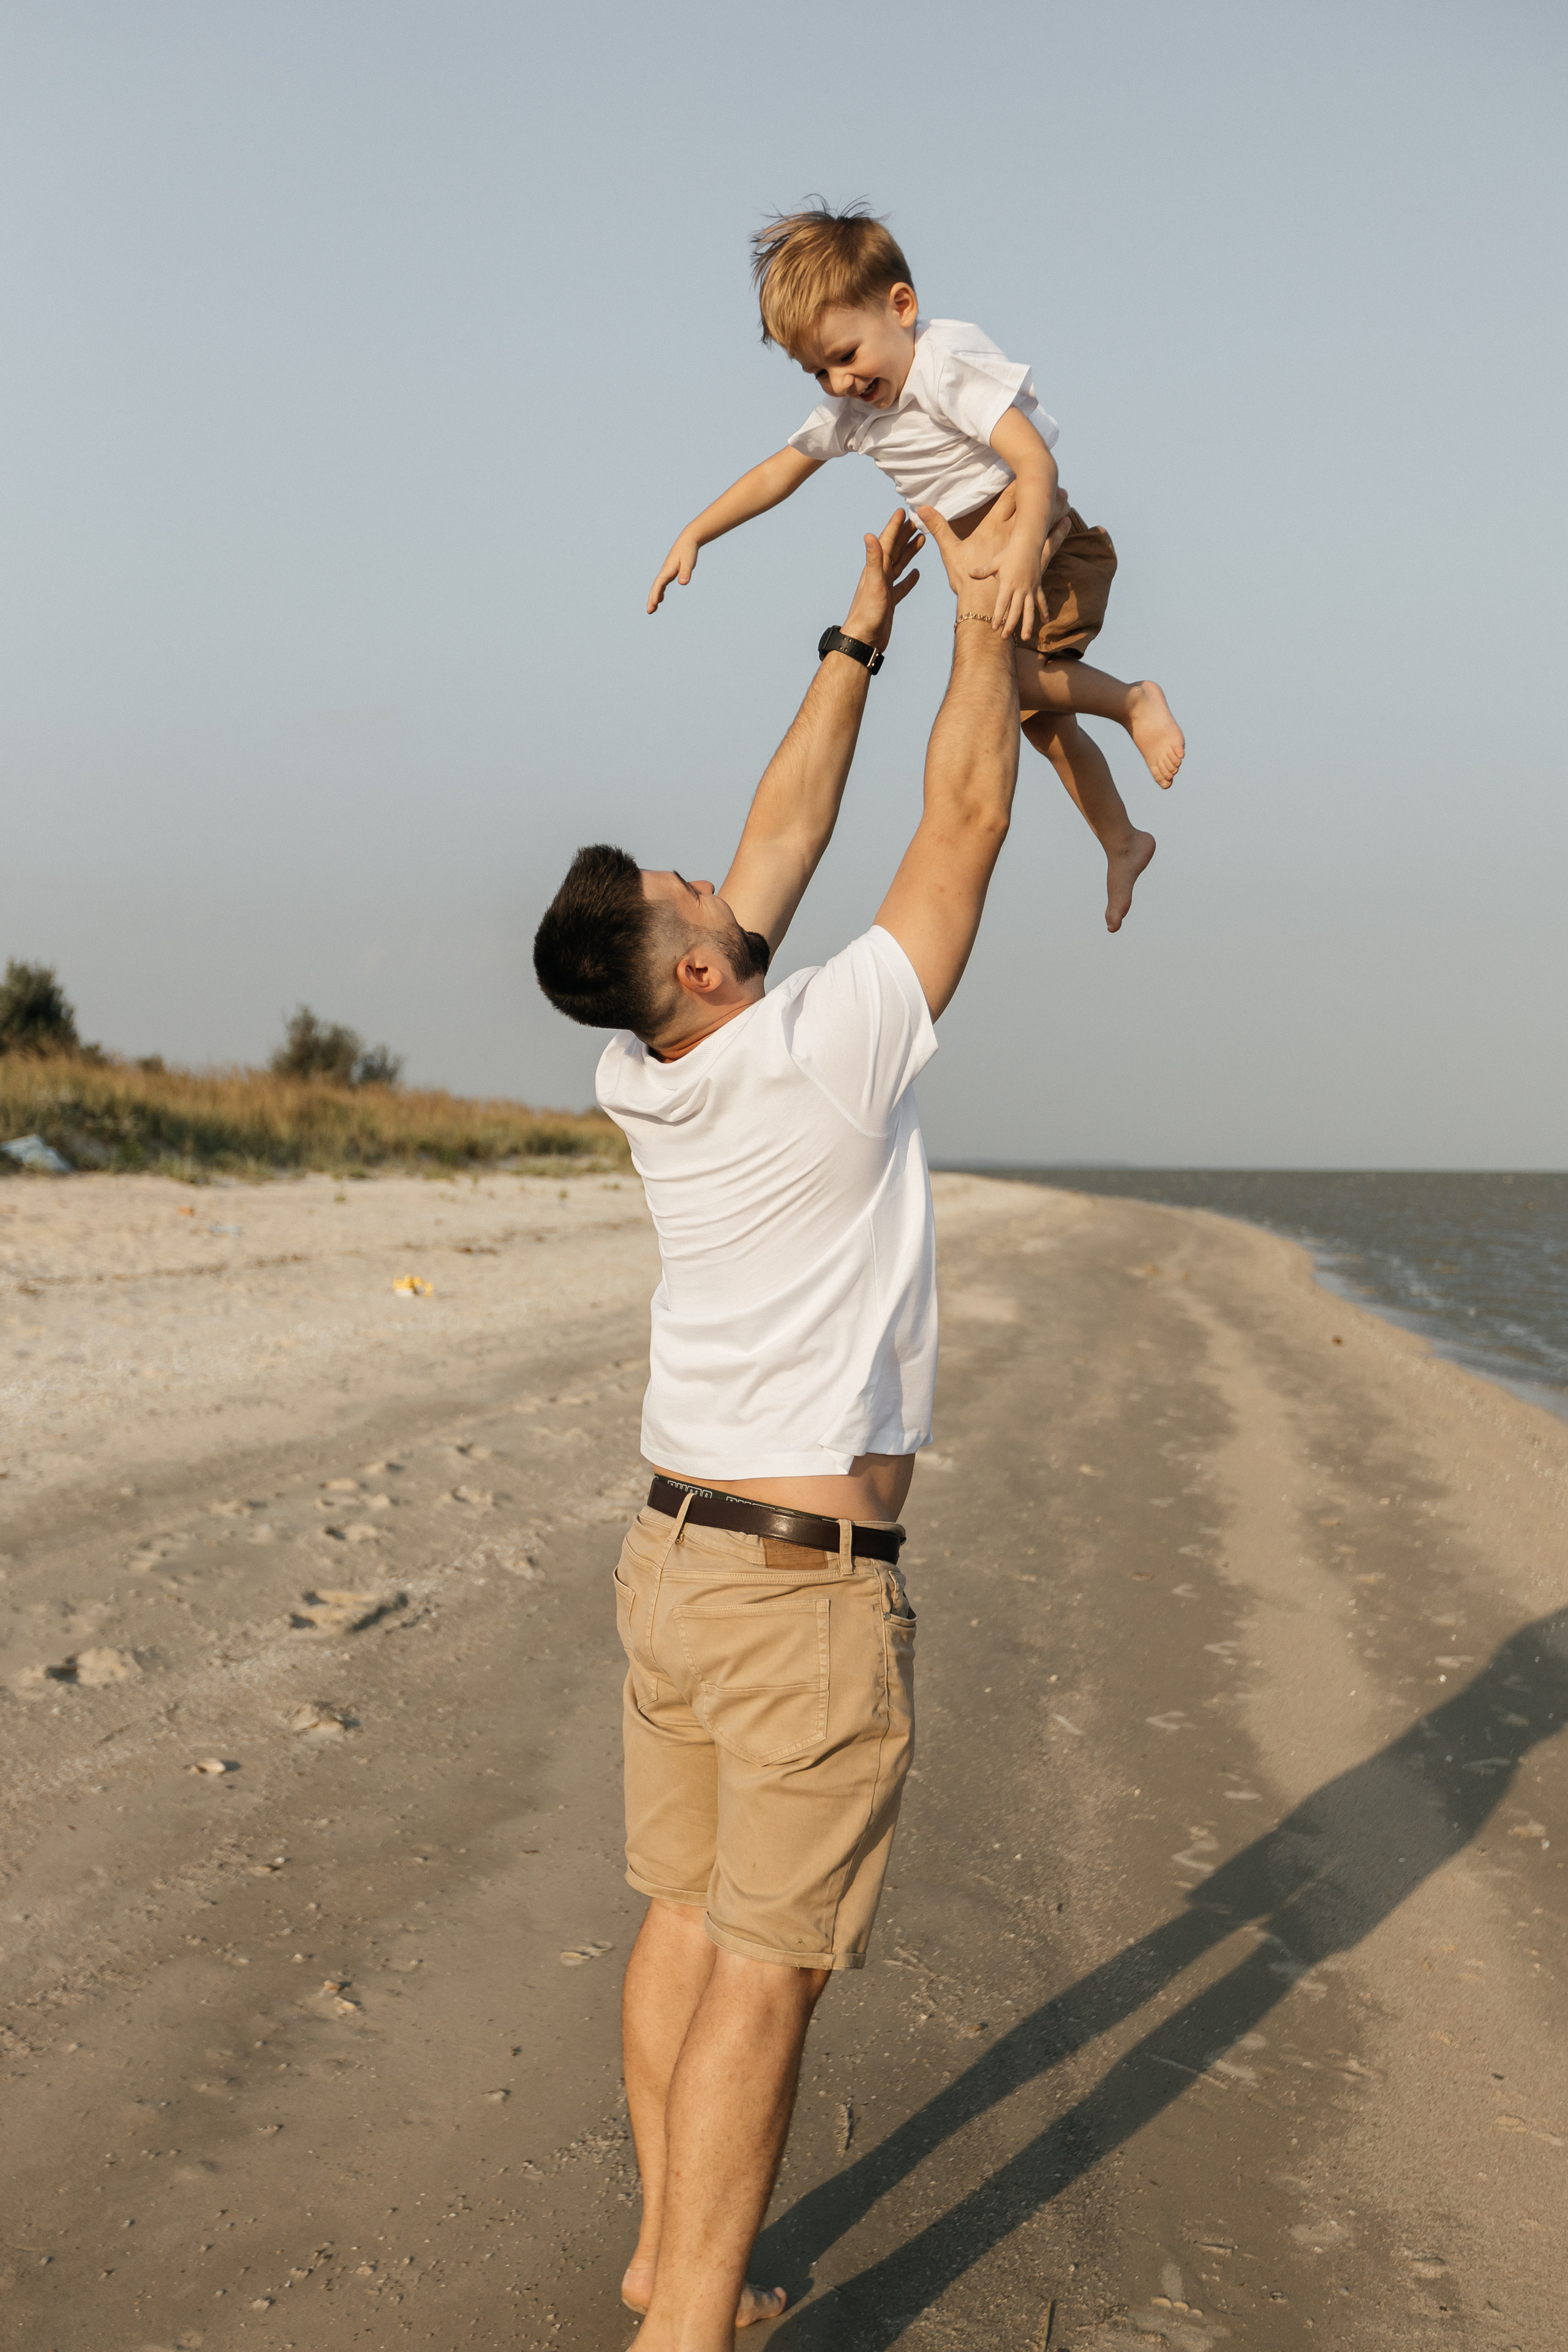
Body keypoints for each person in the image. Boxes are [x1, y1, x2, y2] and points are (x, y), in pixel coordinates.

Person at [533, 489, 1031, 2349]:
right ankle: (682, 2337)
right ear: (693, 968)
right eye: (685, 895)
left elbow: (779, 832)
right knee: (765, 1965)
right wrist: (988, 615)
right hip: (793, 1594)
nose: (707, 877)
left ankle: (678, 2255)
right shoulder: (822, 1053)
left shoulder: (641, 1072)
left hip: (670, 1559)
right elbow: (959, 822)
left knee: (676, 1913)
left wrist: (858, 618)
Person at [647, 202, 1185, 933]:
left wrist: (1026, 553)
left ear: (900, 308)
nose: (838, 382)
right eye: (817, 371)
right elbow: (781, 470)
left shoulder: (941, 370)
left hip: (1043, 546)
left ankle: (1131, 700)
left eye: (846, 355)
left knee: (1011, 683)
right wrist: (698, 530)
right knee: (1035, 718)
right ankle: (1122, 841)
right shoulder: (854, 414)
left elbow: (1034, 461)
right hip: (993, 567)